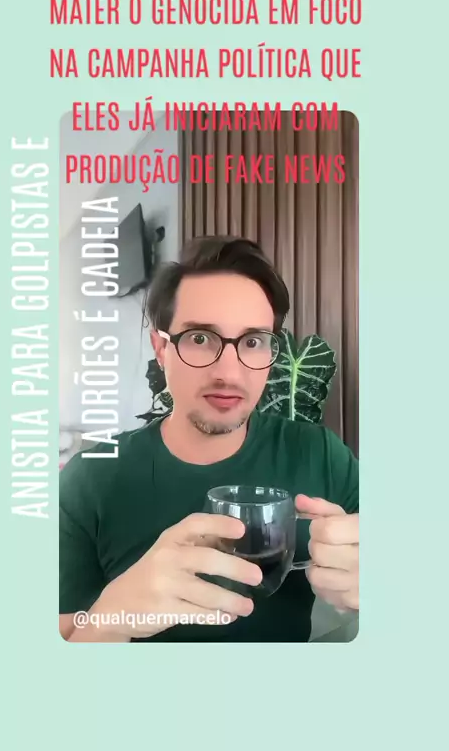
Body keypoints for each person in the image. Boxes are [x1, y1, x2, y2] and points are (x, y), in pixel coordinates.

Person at [59, 235, 359, 643]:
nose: (229, 373)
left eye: (253, 342)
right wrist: (111, 616)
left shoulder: (320, 455)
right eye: (200, 338)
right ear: (161, 349)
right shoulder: (89, 479)